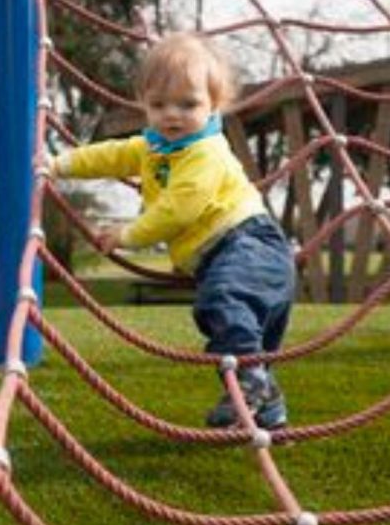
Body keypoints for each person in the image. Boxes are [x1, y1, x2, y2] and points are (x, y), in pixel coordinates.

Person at [48, 32, 296, 429]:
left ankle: (249, 388)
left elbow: (178, 209)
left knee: (223, 305)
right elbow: (110, 155)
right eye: (159, 104)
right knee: (245, 336)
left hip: (248, 245)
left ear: (215, 104)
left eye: (188, 104)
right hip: (228, 255)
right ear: (143, 103)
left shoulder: (205, 152)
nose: (172, 115)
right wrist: (59, 165)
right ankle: (268, 407)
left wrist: (127, 235)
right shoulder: (155, 147)